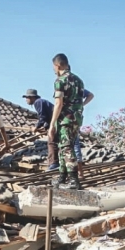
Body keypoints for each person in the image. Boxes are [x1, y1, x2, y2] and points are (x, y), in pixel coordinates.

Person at [49, 54, 84, 189]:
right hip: (77, 119)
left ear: (57, 66)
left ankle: (74, 180)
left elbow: (58, 103)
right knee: (64, 148)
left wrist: (52, 124)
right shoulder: (79, 80)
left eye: (54, 67)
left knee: (67, 148)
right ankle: (62, 177)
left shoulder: (60, 81)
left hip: (65, 119)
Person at [22, 89, 59, 171]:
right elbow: (47, 117)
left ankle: (54, 163)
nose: (26, 100)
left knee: (51, 142)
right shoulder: (41, 102)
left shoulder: (37, 102)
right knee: (56, 142)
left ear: (31, 97)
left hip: (57, 123)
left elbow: (43, 117)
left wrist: (36, 126)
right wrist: (45, 127)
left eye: (27, 98)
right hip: (56, 122)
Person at [74, 88, 95, 178]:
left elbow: (91, 95)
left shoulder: (76, 88)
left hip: (71, 119)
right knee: (74, 145)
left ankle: (79, 173)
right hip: (74, 118)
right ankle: (78, 172)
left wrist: (81, 105)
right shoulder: (76, 86)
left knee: (74, 145)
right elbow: (90, 95)